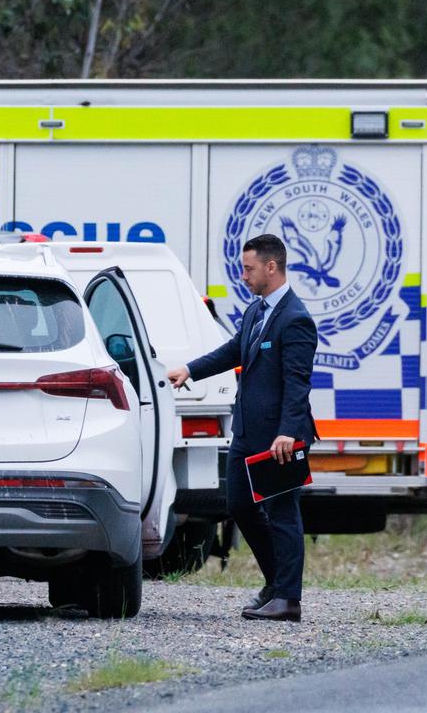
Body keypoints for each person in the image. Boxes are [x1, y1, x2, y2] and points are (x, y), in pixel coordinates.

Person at [168, 234, 317, 622]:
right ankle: (276, 584)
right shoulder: (256, 311)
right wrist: (190, 370)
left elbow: (298, 382)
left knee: (283, 512)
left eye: (249, 268)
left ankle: (288, 600)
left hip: (280, 436)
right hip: (247, 431)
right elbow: (233, 351)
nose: (243, 275)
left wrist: (288, 431)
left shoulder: (296, 319)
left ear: (272, 267)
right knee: (239, 506)